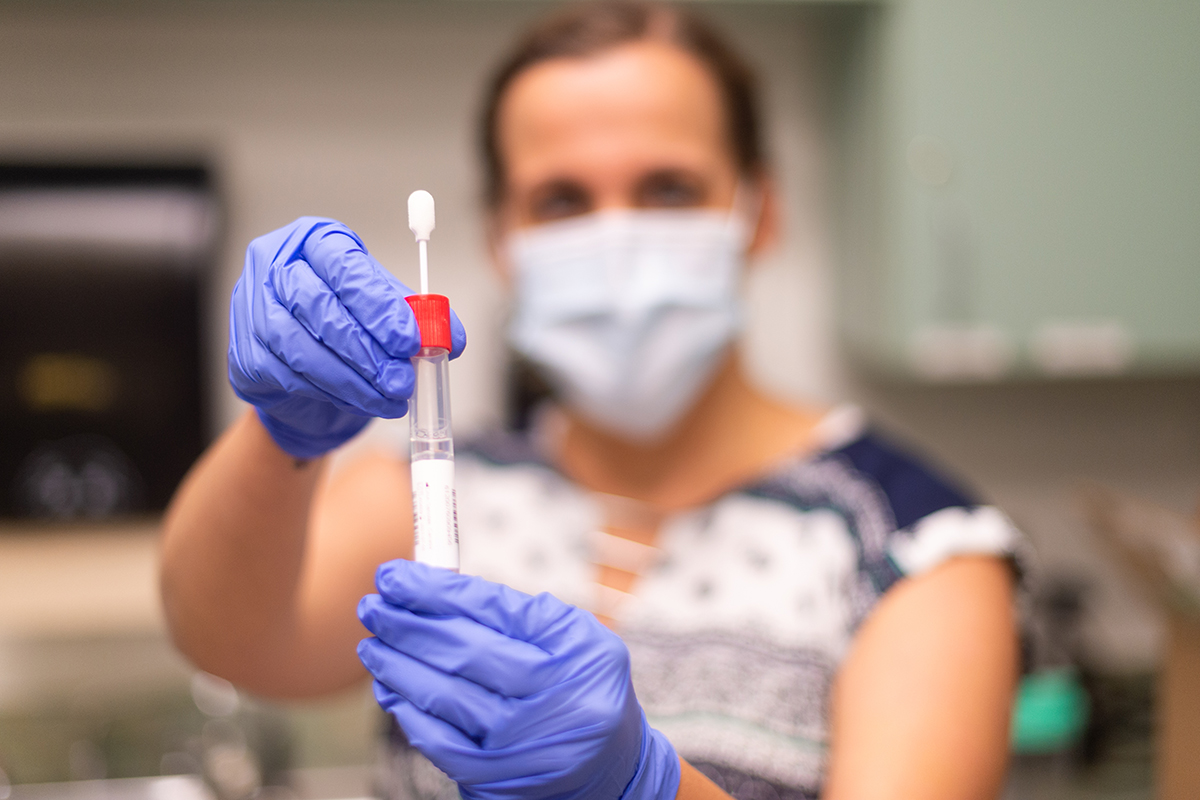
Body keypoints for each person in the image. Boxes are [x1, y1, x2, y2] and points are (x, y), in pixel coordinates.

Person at [160, 3, 1026, 799]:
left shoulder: (913, 549)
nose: (615, 237)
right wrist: (283, 434)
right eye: (562, 200)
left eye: (669, 189)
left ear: (759, 212)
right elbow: (228, 639)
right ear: (502, 239)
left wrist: (643, 785)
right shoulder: (457, 489)